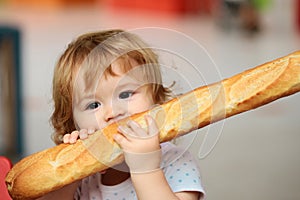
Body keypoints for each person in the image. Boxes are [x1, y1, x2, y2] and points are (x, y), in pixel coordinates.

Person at [39, 29, 205, 200]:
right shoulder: (85, 179)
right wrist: (68, 176)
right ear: (73, 123)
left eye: (125, 94)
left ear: (157, 100)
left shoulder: (177, 163)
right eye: (93, 105)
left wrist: (146, 169)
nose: (112, 112)